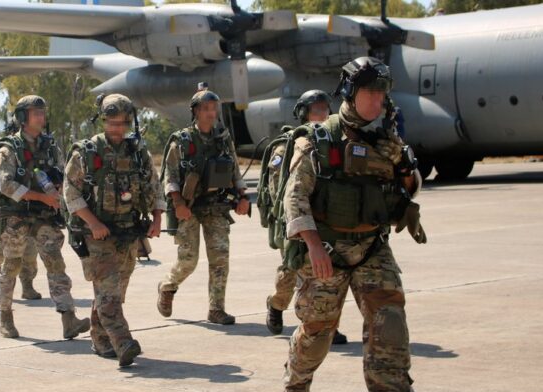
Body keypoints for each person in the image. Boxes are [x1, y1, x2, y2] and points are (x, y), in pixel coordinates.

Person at [280, 57, 426, 392]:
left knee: (390, 329)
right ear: (350, 92)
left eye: (382, 93)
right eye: (370, 92)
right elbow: (295, 198)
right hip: (326, 250)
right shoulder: (318, 138)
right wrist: (313, 246)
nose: (377, 100)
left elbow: (410, 187)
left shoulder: (387, 140)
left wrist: (403, 163)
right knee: (317, 336)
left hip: (373, 248)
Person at [64, 94, 164, 366]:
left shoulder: (138, 153)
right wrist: (93, 223)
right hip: (96, 234)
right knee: (108, 293)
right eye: (112, 122)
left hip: (128, 233)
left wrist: (157, 218)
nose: (117, 128)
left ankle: (100, 339)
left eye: (123, 123)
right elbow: (70, 193)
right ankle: (123, 342)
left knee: (113, 293)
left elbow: (154, 187)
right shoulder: (87, 153)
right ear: (103, 120)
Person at [0, 95, 88, 339]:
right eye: (36, 113)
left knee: (56, 263)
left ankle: (68, 319)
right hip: (16, 216)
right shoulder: (9, 149)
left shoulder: (50, 146)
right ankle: (5, 317)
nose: (41, 117)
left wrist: (60, 187)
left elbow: (64, 174)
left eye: (43, 112)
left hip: (44, 217)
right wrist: (40, 197)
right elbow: (5, 185)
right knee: (12, 266)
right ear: (23, 117)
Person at [156, 86, 250, 325]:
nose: (211, 113)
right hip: (188, 206)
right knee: (188, 260)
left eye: (214, 108)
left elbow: (234, 170)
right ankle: (167, 286)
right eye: (206, 108)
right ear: (196, 112)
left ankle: (216, 309)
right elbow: (170, 177)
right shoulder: (182, 141)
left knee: (220, 258)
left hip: (216, 205)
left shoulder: (223, 139)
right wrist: (178, 204)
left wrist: (243, 197)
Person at [261, 90, 349, 345]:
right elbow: (278, 190)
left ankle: (325, 324)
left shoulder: (334, 142)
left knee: (327, 274)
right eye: (316, 110)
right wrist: (294, 220)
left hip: (325, 220)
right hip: (295, 221)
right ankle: (276, 304)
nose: (322, 114)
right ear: (303, 114)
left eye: (325, 109)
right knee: (291, 273)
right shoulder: (287, 146)